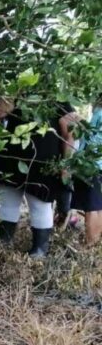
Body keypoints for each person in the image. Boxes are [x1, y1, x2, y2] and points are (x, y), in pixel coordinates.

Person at [0, 102, 78, 257]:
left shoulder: (58, 97)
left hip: (43, 160)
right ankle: (3, 244)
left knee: (40, 203)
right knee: (8, 200)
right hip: (12, 155)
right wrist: (13, 95)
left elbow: (70, 132)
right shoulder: (18, 89)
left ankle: (39, 251)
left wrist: (66, 164)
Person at [71, 96, 102, 247]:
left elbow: (93, 139)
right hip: (97, 164)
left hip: (93, 164)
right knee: (98, 206)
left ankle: (91, 244)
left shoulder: (100, 114)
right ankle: (95, 243)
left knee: (92, 207)